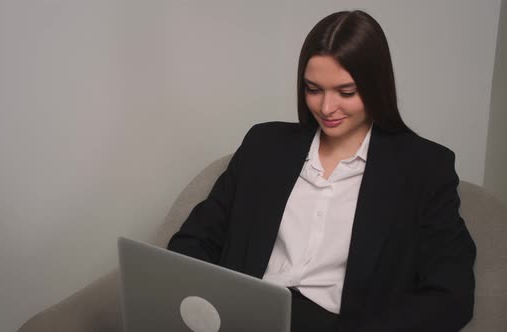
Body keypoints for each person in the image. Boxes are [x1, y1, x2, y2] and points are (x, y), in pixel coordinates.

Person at [167, 10, 476, 332]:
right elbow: (194, 241)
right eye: (313, 89)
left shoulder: (424, 167)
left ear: (376, 86)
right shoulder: (264, 144)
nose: (326, 108)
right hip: (244, 316)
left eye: (346, 92)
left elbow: (451, 295)